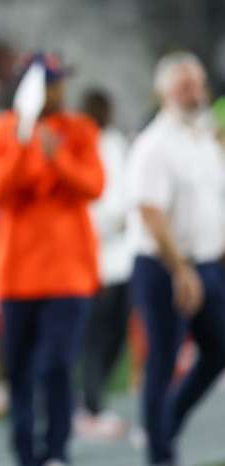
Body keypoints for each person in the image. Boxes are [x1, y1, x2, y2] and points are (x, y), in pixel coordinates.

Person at [0, 52, 103, 466]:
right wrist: (25, 143)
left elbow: (95, 184)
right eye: (51, 83)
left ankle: (57, 451)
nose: (60, 90)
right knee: (19, 372)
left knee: (56, 367)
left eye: (60, 82)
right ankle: (25, 453)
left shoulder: (79, 130)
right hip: (15, 276)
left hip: (69, 274)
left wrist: (56, 157)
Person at [127, 51, 225, 466]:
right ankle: (159, 453)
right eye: (184, 85)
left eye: (197, 84)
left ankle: (165, 423)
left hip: (205, 262)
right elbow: (151, 211)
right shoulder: (155, 144)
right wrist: (180, 269)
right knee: (163, 360)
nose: (194, 93)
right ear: (164, 91)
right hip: (165, 266)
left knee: (219, 349)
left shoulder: (202, 136)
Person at [74, 88, 132, 441]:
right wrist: (107, 222)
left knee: (119, 334)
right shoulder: (80, 142)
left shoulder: (115, 142)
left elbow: (123, 190)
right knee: (95, 337)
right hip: (92, 255)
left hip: (121, 256)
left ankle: (90, 398)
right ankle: (91, 406)